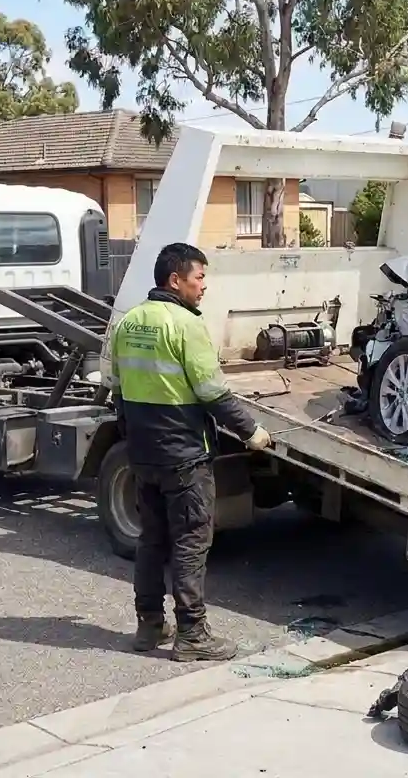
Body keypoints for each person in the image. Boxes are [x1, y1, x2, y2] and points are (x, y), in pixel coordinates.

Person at [110, 242, 272, 661]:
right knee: (190, 542)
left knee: (152, 539)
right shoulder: (184, 324)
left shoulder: (129, 323)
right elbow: (212, 392)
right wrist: (252, 431)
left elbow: (117, 389)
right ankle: (193, 633)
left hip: (143, 454)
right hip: (184, 454)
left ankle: (149, 626)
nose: (204, 286)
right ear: (175, 280)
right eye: (199, 277)